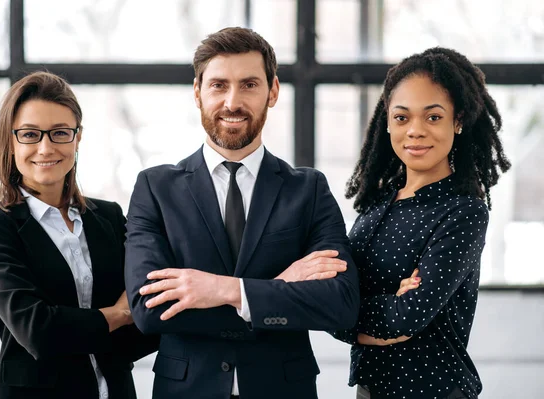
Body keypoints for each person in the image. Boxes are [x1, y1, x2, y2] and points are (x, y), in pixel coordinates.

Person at [124, 27, 360, 399]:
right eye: (219, 85)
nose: (232, 102)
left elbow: (340, 303)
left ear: (273, 91)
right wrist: (276, 290)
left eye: (249, 84)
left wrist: (222, 289)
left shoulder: (308, 189)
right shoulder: (156, 188)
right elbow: (150, 309)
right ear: (197, 92)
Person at [0, 71, 159, 399]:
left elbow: (149, 314)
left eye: (59, 133)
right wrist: (120, 313)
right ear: (10, 141)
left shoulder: (109, 216)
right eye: (29, 134)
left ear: (77, 137)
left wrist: (127, 316)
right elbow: (37, 330)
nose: (46, 147)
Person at [333, 47, 511, 399]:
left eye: (432, 117)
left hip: (435, 391)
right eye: (402, 118)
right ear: (387, 122)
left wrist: (348, 312)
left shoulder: (463, 213)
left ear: (457, 121)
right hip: (370, 390)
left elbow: (407, 316)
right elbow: (330, 302)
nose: (415, 131)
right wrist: (358, 311)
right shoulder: (377, 206)